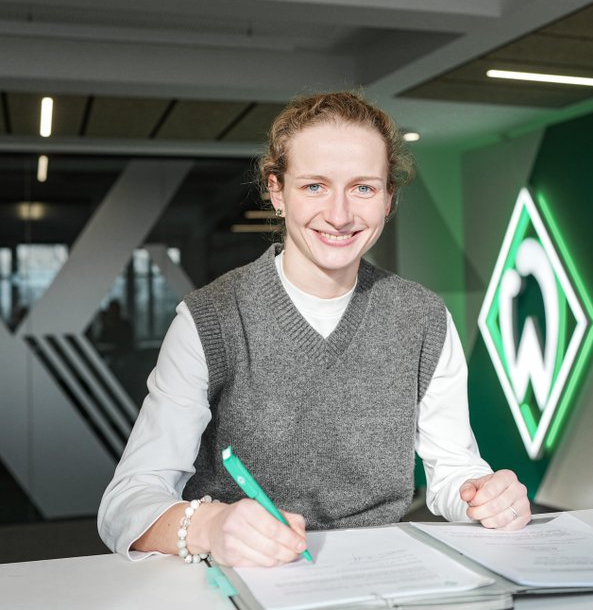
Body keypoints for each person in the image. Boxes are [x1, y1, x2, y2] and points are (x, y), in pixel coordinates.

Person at [98, 91, 531, 568]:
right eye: (314, 186)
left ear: (388, 198)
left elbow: (453, 470)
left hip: (379, 574)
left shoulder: (423, 317)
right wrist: (212, 526)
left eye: (363, 188)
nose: (340, 215)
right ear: (277, 192)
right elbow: (125, 505)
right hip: (244, 578)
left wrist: (482, 493)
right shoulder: (210, 319)